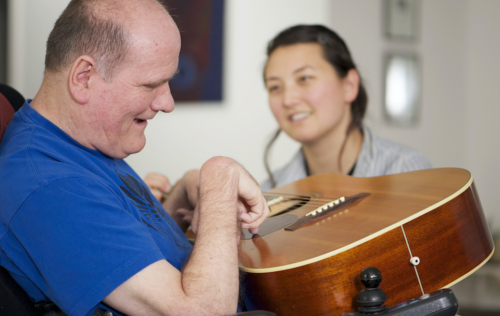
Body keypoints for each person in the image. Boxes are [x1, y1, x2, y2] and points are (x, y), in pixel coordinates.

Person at [0, 1, 269, 315]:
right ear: (84, 77)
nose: (167, 103)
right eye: (151, 84)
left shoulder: (79, 142)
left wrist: (184, 191)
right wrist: (220, 178)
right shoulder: (50, 188)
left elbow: (115, 250)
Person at [260, 25, 432, 191]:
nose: (288, 100)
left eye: (304, 78)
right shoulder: (268, 194)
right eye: (275, 87)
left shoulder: (406, 170)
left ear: (349, 85)